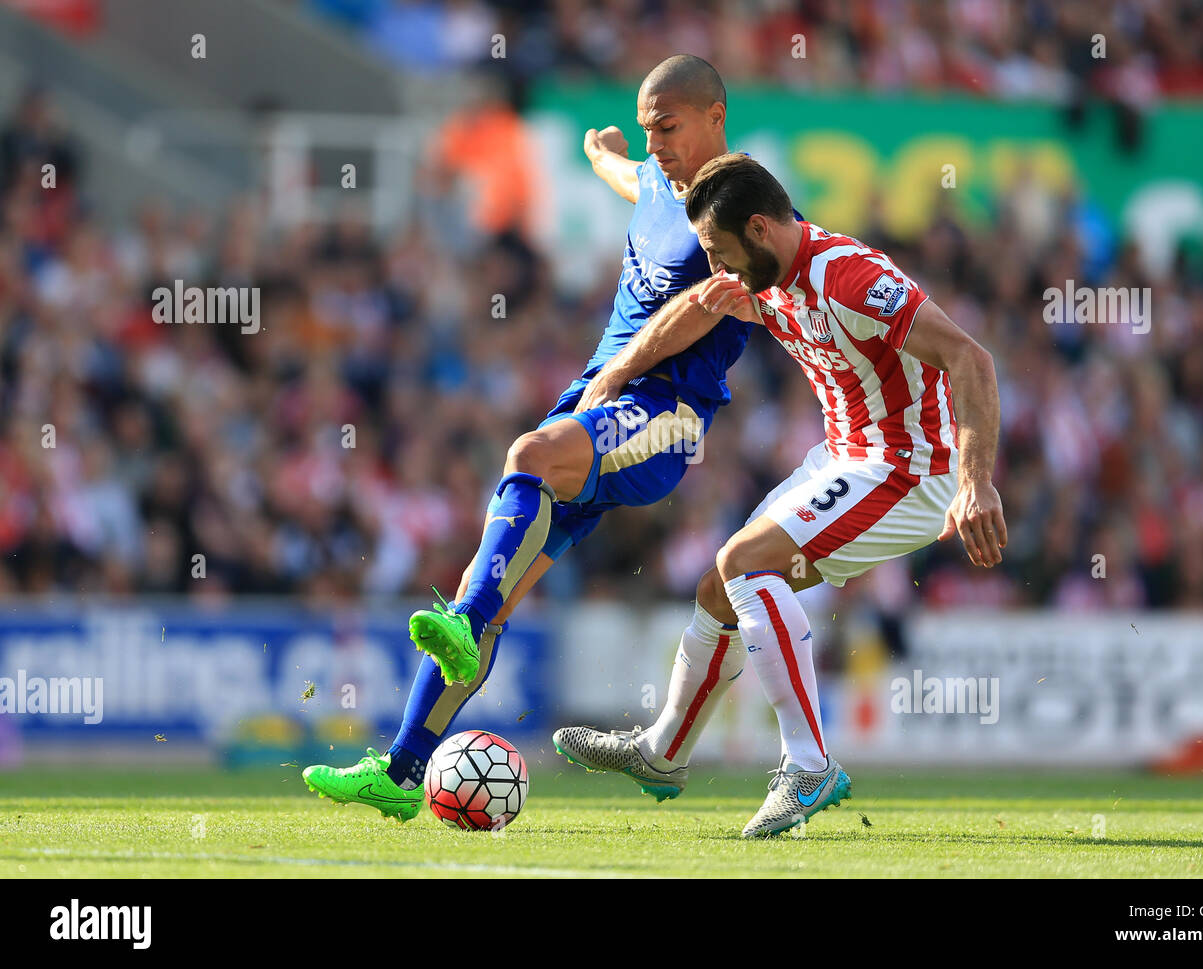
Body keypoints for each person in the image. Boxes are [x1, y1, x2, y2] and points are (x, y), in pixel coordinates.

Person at [303, 56, 764, 821]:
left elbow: (722, 301)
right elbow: (630, 177)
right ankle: (402, 768)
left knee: (526, 457)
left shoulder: (739, 211)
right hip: (606, 402)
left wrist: (624, 366)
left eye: (670, 129)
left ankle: (464, 620)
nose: (657, 146)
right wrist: (600, 152)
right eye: (649, 132)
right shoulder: (656, 180)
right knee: (494, 598)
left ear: (715, 115)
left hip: (666, 417)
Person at [554, 153, 1008, 837]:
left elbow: (971, 358)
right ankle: (664, 752)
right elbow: (698, 308)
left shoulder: (852, 279)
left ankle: (808, 764)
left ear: (761, 228)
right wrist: (618, 368)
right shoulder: (759, 271)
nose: (718, 270)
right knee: (719, 586)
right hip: (849, 457)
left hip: (913, 468)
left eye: (721, 252)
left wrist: (975, 484)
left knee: (747, 564)